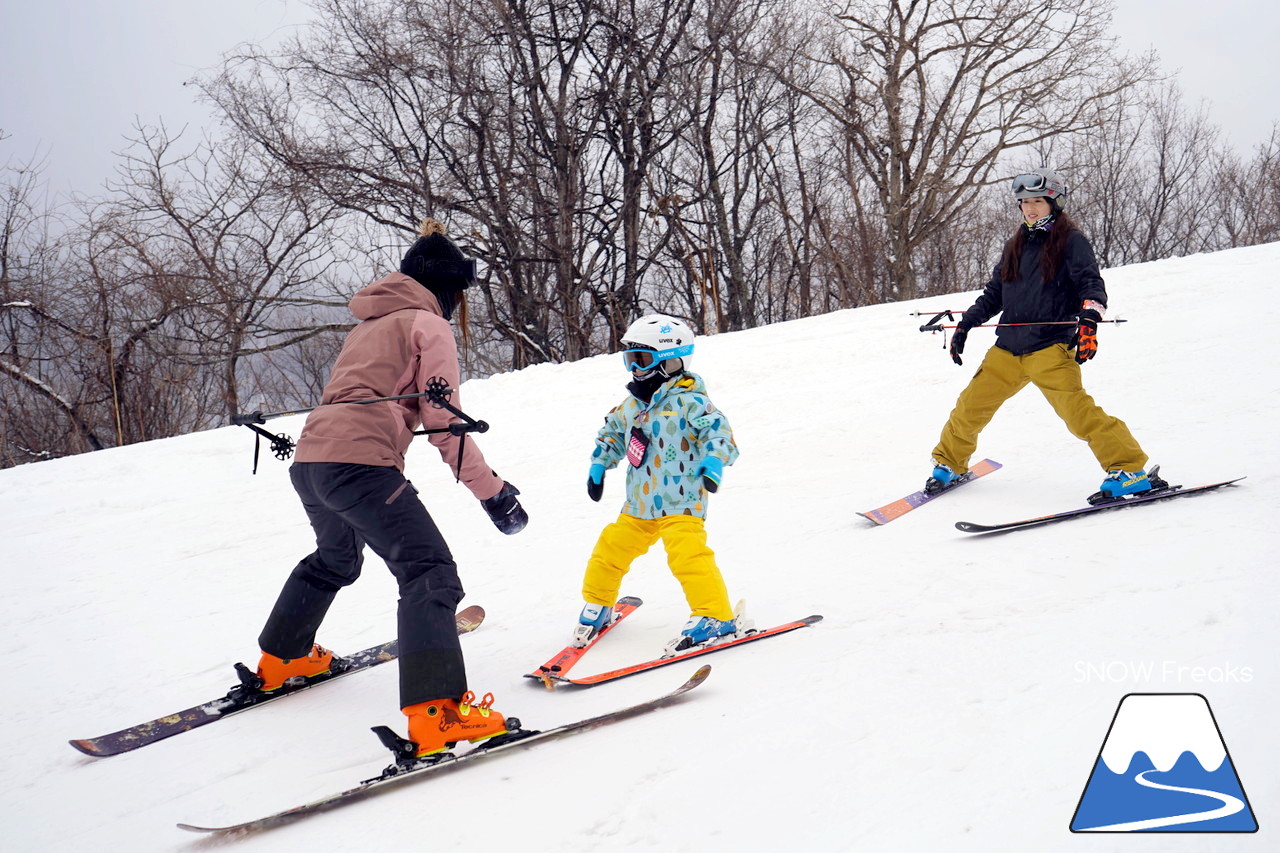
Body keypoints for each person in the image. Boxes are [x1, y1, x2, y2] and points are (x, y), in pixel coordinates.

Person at [251, 218, 528, 759]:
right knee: (429, 572)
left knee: (335, 559)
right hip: (360, 469)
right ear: (451, 289)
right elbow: (445, 421)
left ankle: (283, 659)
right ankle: (438, 715)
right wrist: (492, 492)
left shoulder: (369, 325)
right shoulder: (430, 325)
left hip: (311, 464)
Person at [925, 168, 1164, 503]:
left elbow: (1091, 285)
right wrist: (966, 324)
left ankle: (1130, 471)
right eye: (1024, 202)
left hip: (1050, 348)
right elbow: (995, 294)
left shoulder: (1071, 241)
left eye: (1037, 201)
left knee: (1078, 413)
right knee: (969, 407)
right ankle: (950, 463)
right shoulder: (1015, 245)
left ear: (1054, 202)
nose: (1030, 208)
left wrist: (1089, 322)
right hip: (1007, 349)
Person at [575, 314, 743, 655]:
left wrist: (713, 461)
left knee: (688, 557)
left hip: (681, 501)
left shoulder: (691, 401)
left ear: (672, 360)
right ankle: (599, 603)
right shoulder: (631, 405)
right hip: (639, 503)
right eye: (631, 359)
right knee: (610, 549)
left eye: (643, 359)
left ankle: (716, 616)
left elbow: (718, 433)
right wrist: (599, 463)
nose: (636, 368)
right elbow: (611, 436)